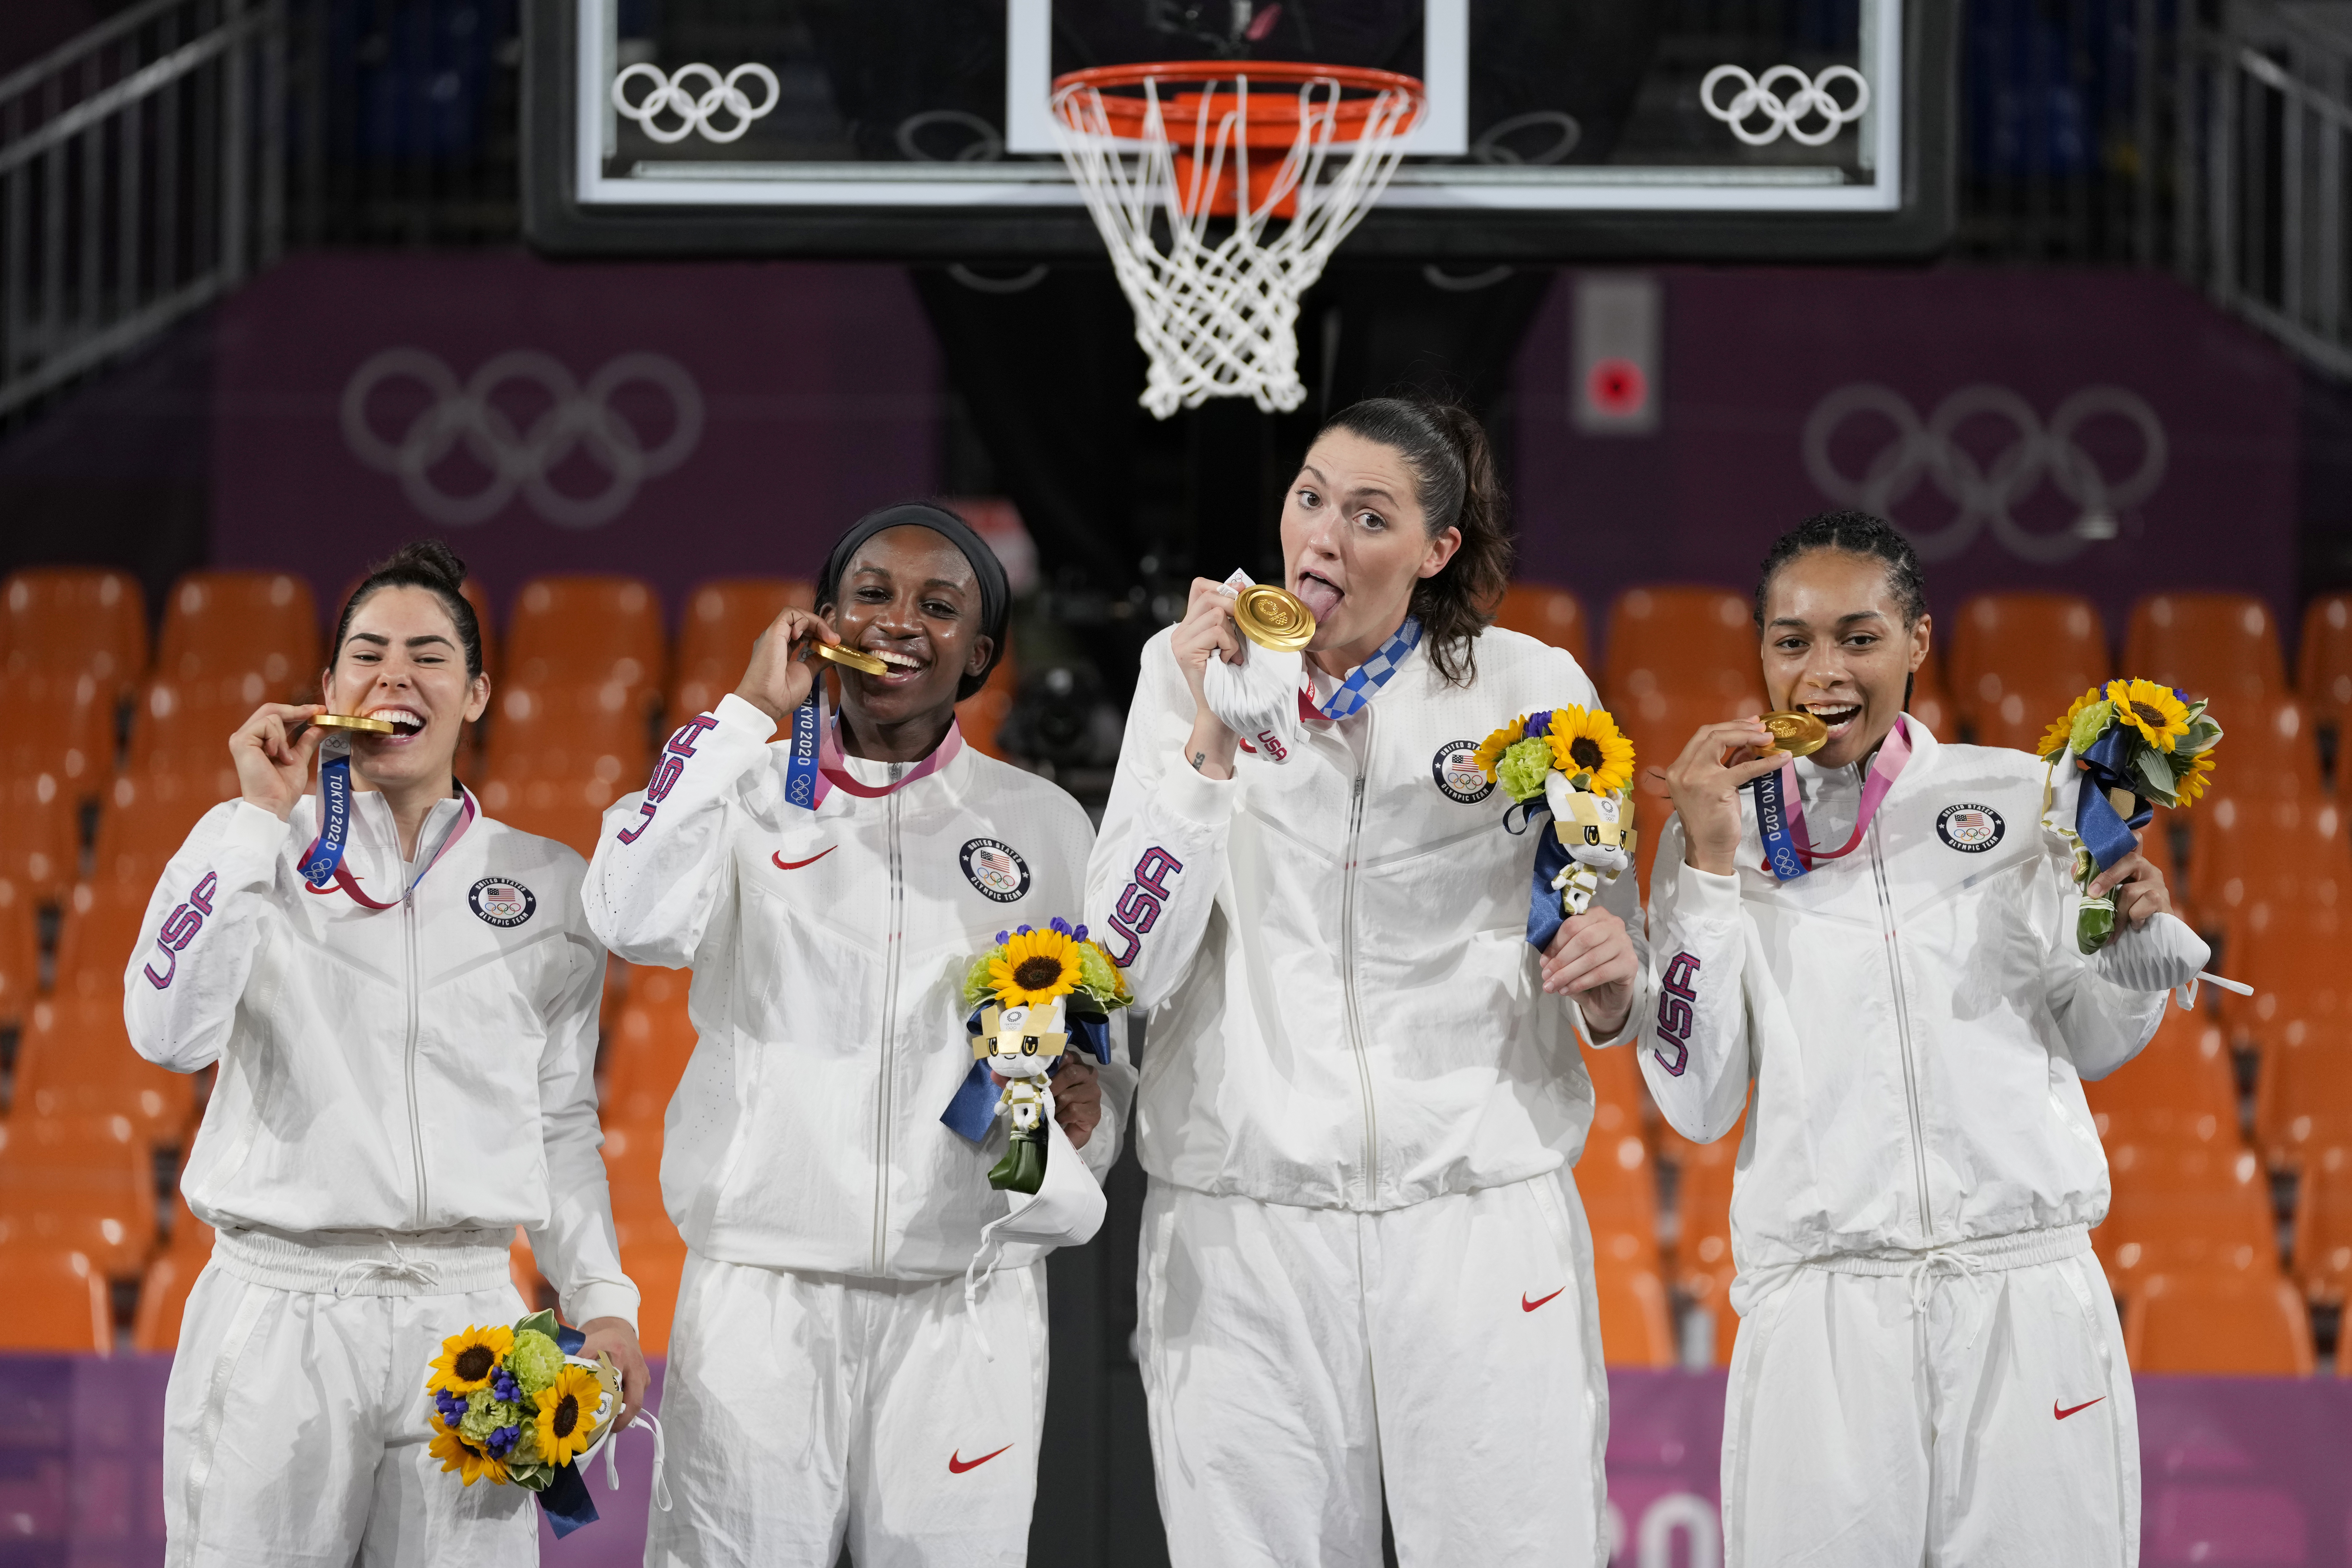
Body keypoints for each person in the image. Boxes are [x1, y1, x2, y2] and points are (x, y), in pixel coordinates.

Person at [1087, 397, 1646, 1567]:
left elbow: (1607, 929)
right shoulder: (1184, 669)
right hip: (1246, 1217)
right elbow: (1126, 962)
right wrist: (1208, 742)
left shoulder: (1529, 686)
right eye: (1310, 496)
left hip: (1475, 1210)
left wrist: (1612, 977)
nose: (1323, 535)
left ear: (1437, 551)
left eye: (1369, 514)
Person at [1645, 511, 2200, 1566]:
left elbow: (2088, 1038)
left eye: (1860, 637)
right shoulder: (1715, 829)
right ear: (1760, 651)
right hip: (1824, 1312)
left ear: (1919, 642)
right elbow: (1695, 1100)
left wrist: (2124, 954)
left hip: (2024, 1296)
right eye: (1792, 641)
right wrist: (1711, 871)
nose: (1824, 673)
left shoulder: (2018, 795)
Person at [584, 503, 1133, 1568]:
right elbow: (625, 913)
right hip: (761, 1292)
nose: (899, 620)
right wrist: (745, 713)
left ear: (979, 652)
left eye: (940, 604)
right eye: (871, 593)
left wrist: (1087, 1117)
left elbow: (1096, 1064)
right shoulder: (738, 793)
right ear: (824, 617)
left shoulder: (1045, 824)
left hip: (965, 1301)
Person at [127, 541, 646, 1567]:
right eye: (365, 653)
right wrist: (255, 818)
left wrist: (603, 1301)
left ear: (478, 692)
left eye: (428, 655)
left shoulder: (547, 886)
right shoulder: (247, 851)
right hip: (283, 1308)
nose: (392, 676)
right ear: (327, 690)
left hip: (470, 1314)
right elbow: (164, 1032)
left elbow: (559, 1120)